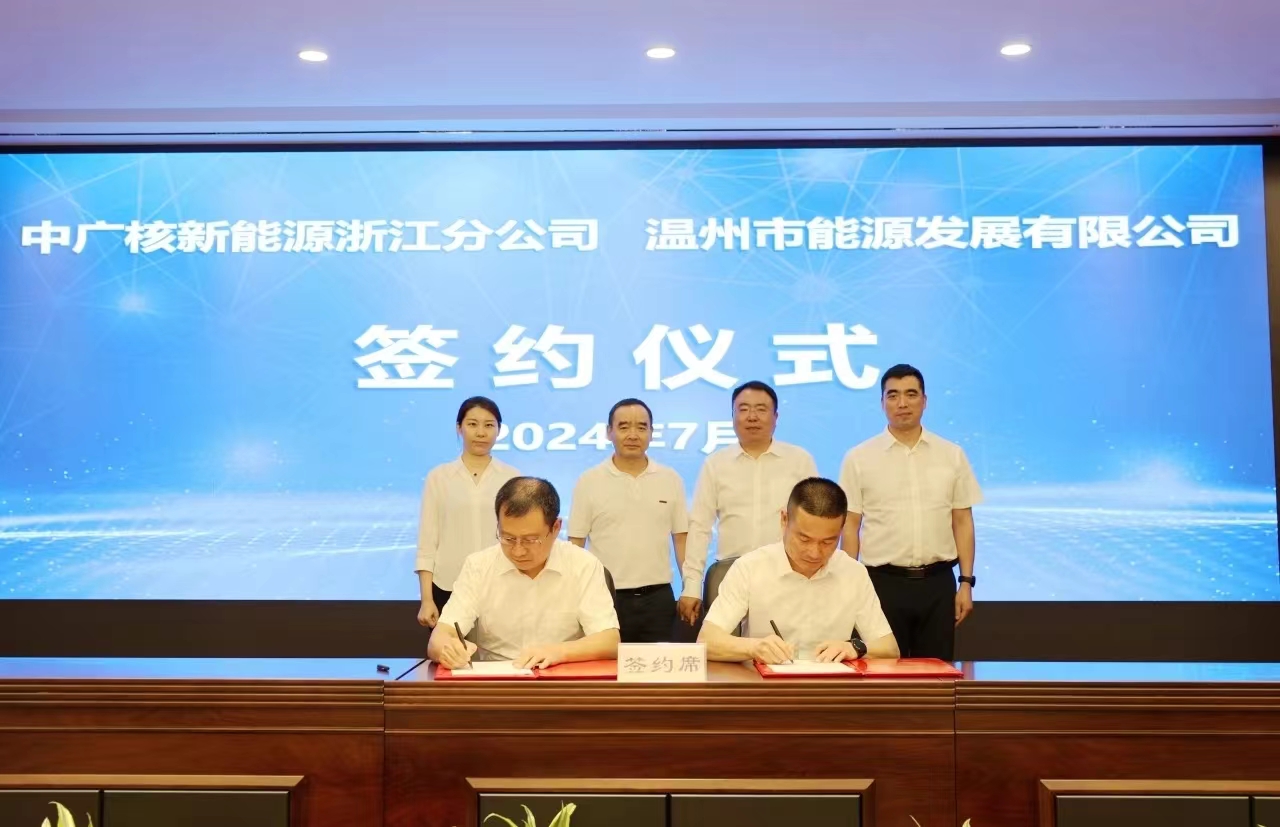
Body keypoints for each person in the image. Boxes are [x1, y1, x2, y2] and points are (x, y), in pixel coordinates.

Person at [839, 364, 982, 661]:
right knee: (881, 675)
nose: (902, 403)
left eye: (911, 394)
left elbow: (962, 521)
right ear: (882, 403)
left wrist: (966, 583)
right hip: (881, 583)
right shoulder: (859, 457)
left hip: (937, 584)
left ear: (924, 401)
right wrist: (849, 586)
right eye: (893, 395)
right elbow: (850, 526)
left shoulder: (951, 455)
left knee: (936, 675)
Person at [428, 477, 621, 670]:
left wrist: (558, 652)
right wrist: (447, 649)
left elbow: (610, 641)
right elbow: (438, 639)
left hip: (561, 676)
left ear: (555, 528)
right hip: (498, 679)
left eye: (530, 540)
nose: (518, 551)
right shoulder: (478, 566)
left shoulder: (583, 564)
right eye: (508, 538)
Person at [699, 478, 899, 663]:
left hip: (831, 685)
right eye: (804, 539)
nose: (814, 553)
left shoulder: (853, 573)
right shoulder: (750, 568)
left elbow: (889, 648)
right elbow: (707, 641)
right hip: (765, 684)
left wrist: (854, 648)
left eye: (828, 542)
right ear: (784, 520)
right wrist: (754, 647)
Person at [679, 380, 818, 629]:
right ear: (732, 416)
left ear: (776, 417)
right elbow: (700, 527)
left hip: (786, 573)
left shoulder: (799, 461)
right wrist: (691, 586)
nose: (752, 416)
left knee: (784, 646)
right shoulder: (716, 464)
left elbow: (816, 523)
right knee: (726, 647)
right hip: (731, 573)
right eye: (743, 409)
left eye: (761, 409)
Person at [569, 398, 689, 642]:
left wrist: (691, 587)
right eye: (623, 427)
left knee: (659, 664)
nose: (633, 434)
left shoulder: (670, 479)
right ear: (609, 432)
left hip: (659, 598)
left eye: (641, 427)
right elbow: (576, 545)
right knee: (606, 663)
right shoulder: (589, 481)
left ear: (652, 433)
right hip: (605, 597)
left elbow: (681, 540)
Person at [414, 396, 520, 628]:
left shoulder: (512, 478)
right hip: (448, 586)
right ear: (459, 428)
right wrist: (426, 599)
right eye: (472, 424)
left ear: (499, 430)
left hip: (500, 586)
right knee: (451, 651)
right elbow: (427, 541)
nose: (481, 432)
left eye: (489, 425)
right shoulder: (439, 477)